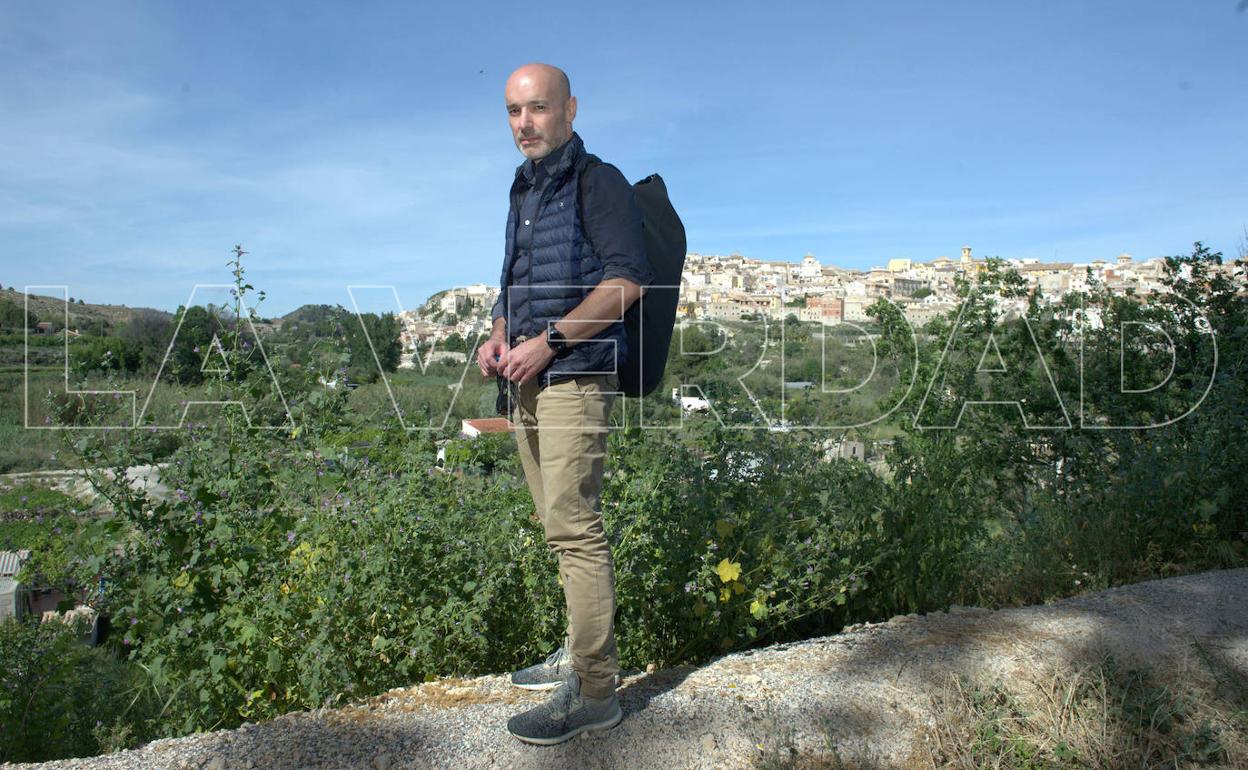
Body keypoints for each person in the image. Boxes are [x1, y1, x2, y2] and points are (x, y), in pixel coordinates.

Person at [475, 62, 653, 745]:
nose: (525, 123)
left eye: (538, 109)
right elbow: (510, 287)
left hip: (575, 376)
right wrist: (497, 338)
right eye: (514, 112)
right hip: (525, 379)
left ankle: (598, 692)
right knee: (557, 527)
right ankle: (578, 655)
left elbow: (627, 282)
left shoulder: (596, 181)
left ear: (570, 110)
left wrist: (548, 342)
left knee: (576, 527)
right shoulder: (522, 187)